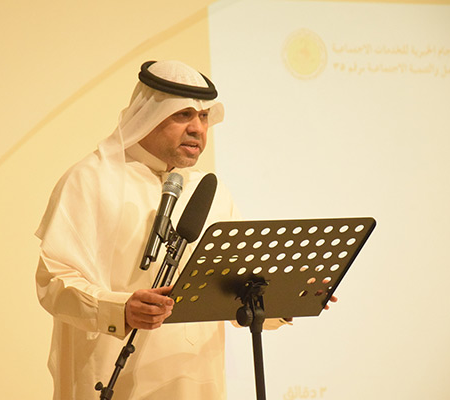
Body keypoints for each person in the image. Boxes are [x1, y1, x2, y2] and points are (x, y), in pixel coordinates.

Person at [35, 60, 303, 399]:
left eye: (203, 117)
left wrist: (290, 297)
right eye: (183, 115)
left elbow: (236, 292)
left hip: (196, 383)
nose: (198, 129)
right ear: (147, 115)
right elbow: (54, 282)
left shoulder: (210, 191)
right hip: (112, 382)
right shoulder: (91, 179)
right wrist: (120, 309)